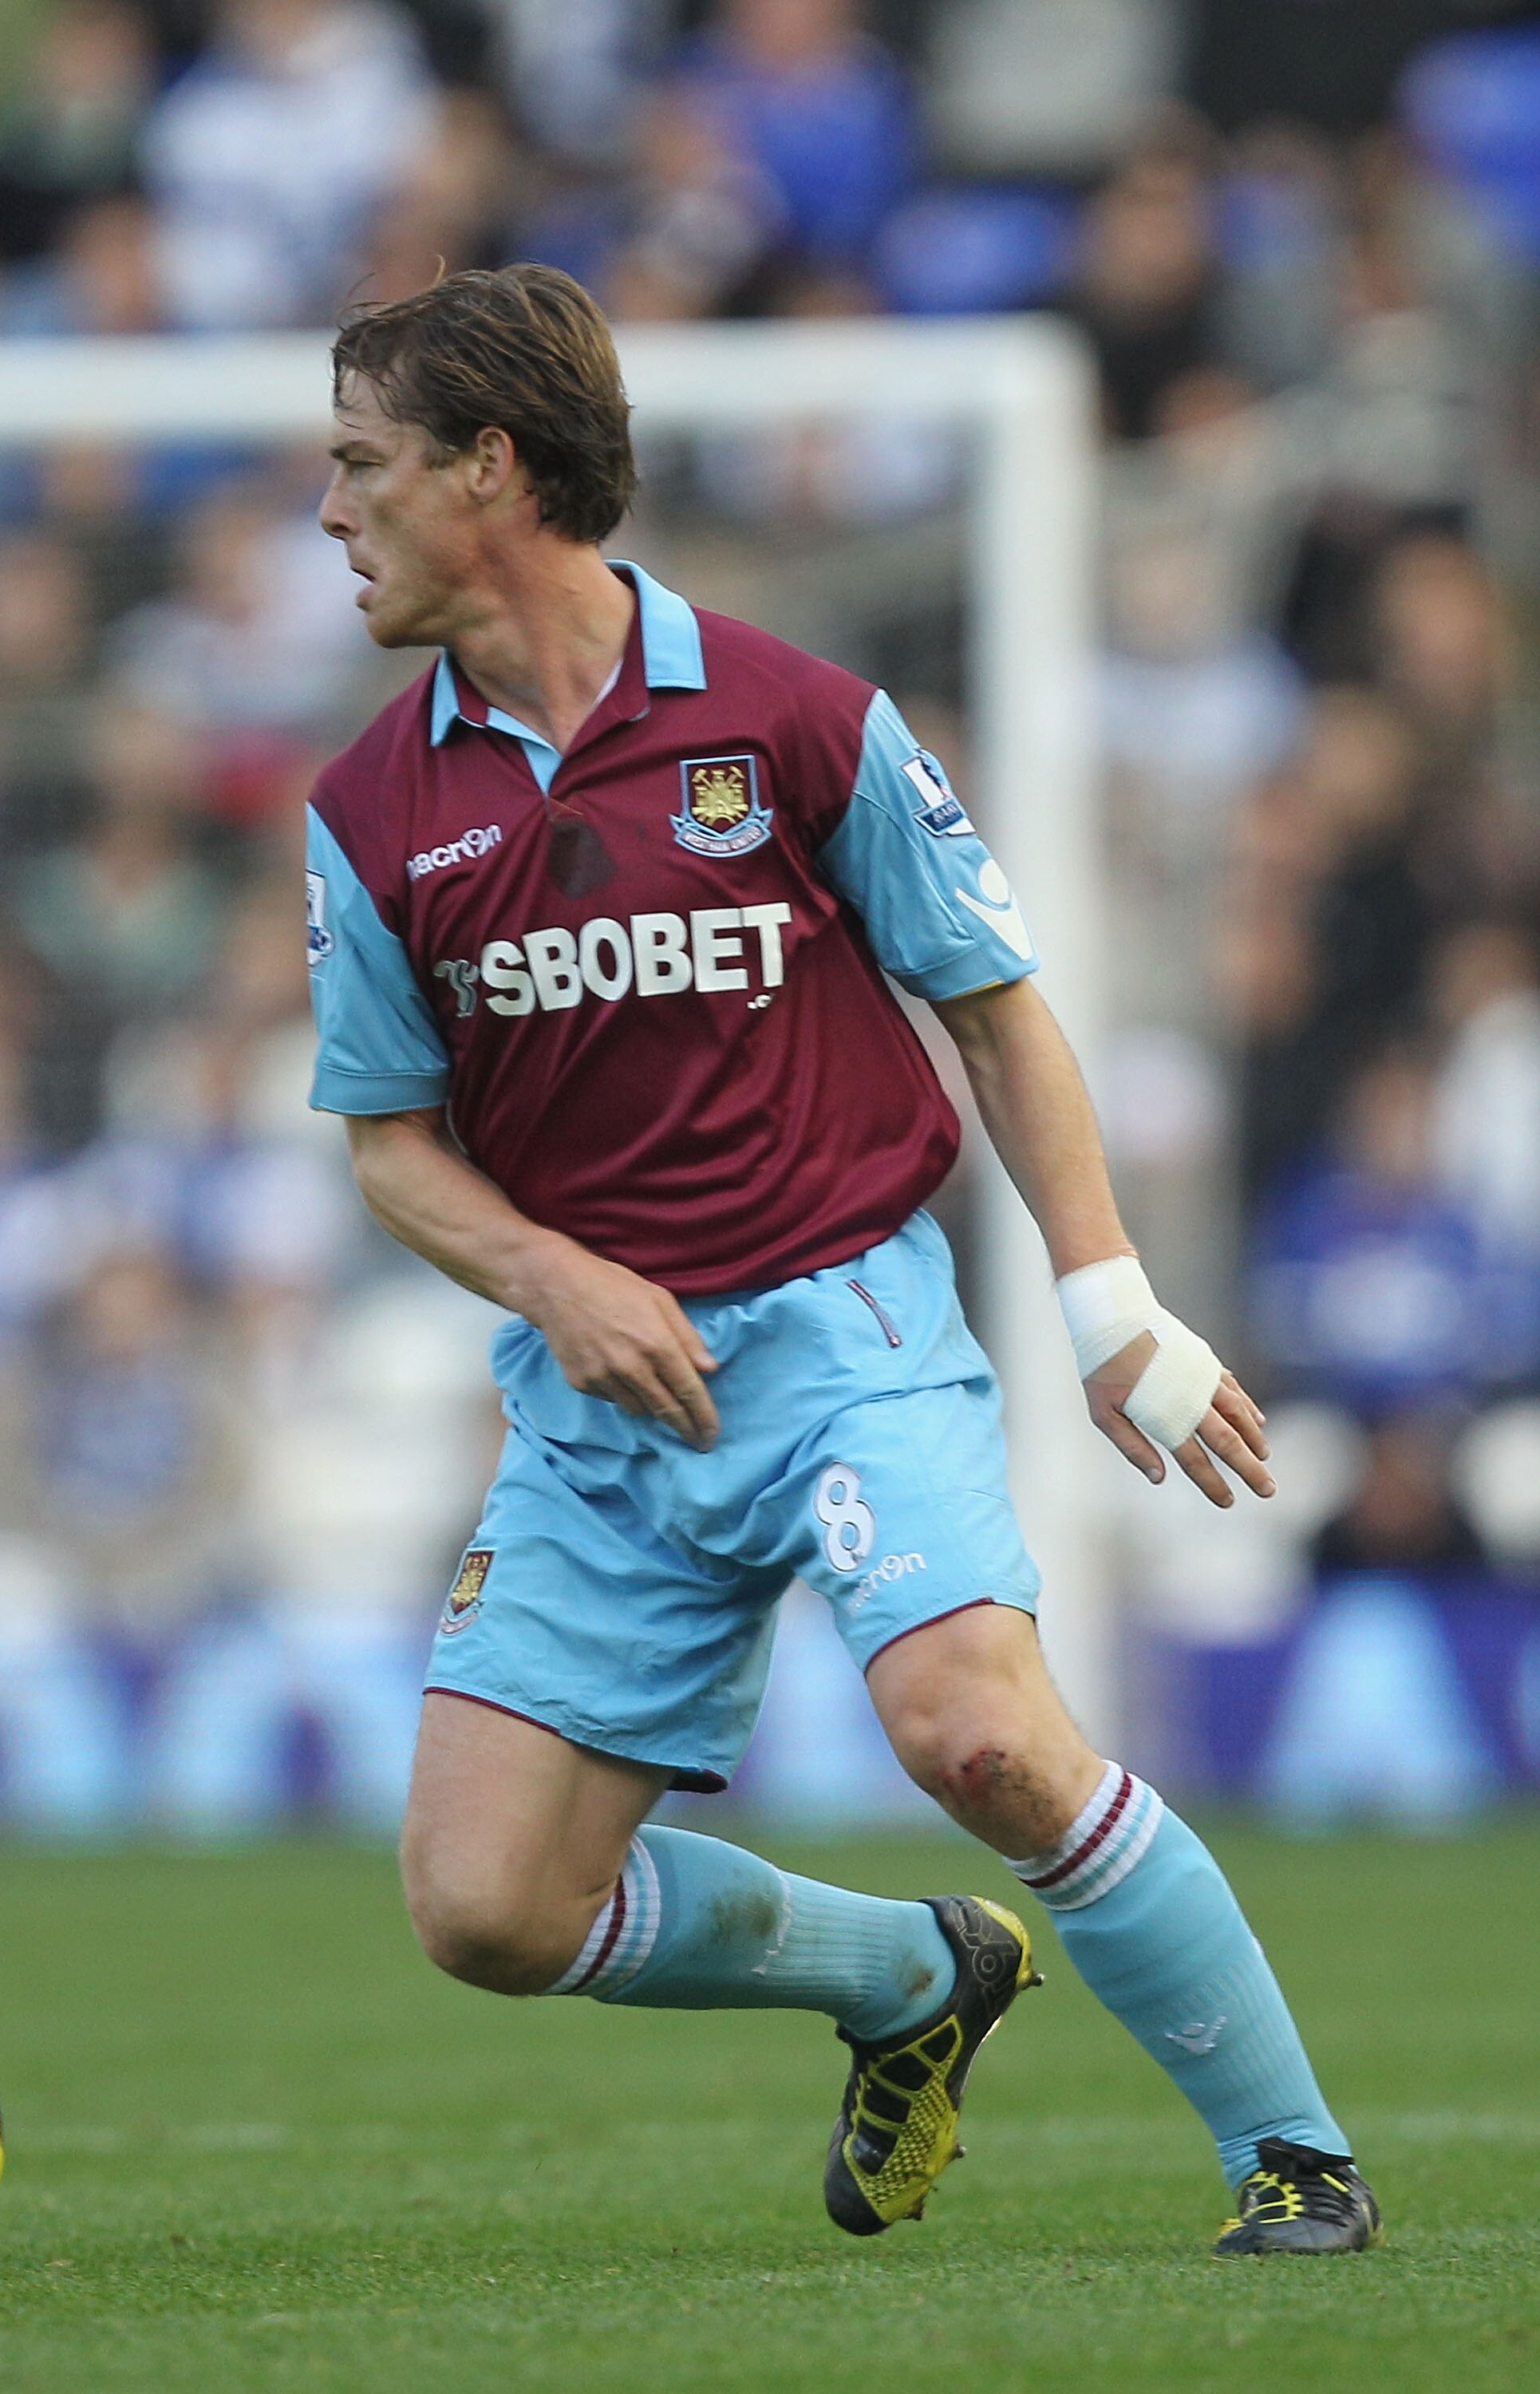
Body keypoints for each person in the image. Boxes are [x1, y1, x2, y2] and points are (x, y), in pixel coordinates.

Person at [305, 263, 1379, 2257]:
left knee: (974, 1732)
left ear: (488, 468)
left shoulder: (794, 720)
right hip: (599, 1397)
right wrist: (551, 1277)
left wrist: (1107, 1303)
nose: (329, 506)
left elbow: (993, 1004)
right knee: (484, 1911)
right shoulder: (369, 808)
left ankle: (1293, 2161)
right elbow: (390, 1149)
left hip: (842, 1322)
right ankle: (908, 1981)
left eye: (363, 461)